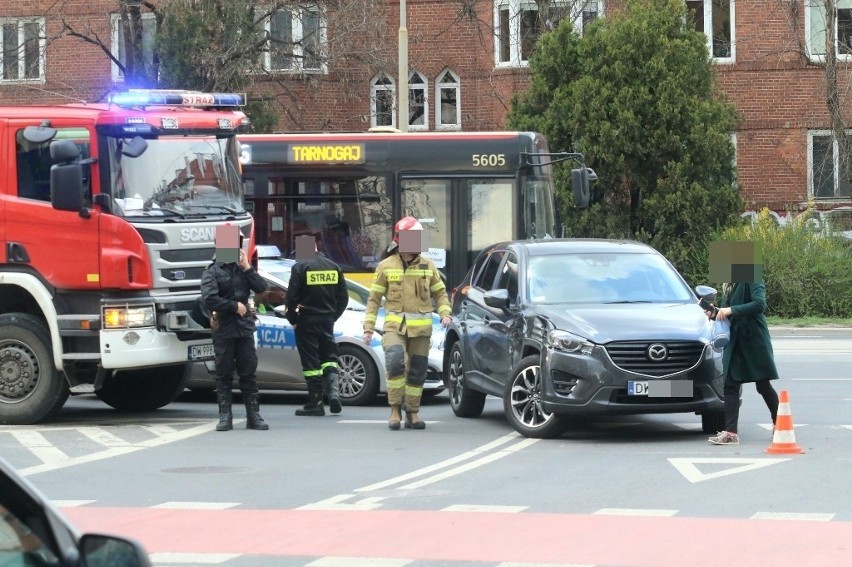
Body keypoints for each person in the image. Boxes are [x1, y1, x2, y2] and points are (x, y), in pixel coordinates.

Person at [362, 216, 452, 430]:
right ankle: (395, 410)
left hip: (421, 330)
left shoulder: (427, 266)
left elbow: (440, 294)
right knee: (395, 363)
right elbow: (373, 300)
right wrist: (368, 328)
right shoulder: (386, 266)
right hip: (394, 328)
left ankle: (412, 412)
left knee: (417, 370)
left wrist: (445, 313)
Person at [201, 235, 269, 431]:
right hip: (224, 327)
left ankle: (253, 416)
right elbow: (209, 299)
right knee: (223, 374)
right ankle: (225, 417)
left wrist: (248, 268)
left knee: (248, 372)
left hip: (244, 327)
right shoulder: (212, 271)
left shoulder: (243, 269)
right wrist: (233, 306)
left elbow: (262, 288)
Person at [705, 280, 780, 445]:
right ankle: (731, 433)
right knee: (730, 384)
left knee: (763, 384)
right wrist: (715, 313)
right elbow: (727, 312)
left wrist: (729, 310)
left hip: (754, 338)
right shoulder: (729, 283)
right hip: (735, 339)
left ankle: (780, 424)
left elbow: (759, 304)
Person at [286, 236, 349, 416]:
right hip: (327, 319)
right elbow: (343, 298)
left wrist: (293, 319)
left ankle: (316, 402)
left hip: (307, 320)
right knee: (329, 357)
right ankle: (334, 393)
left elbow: (291, 297)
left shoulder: (300, 267)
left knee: (311, 363)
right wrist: (333, 316)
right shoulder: (333, 266)